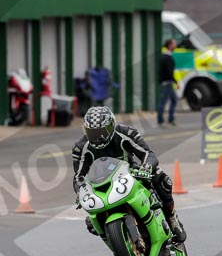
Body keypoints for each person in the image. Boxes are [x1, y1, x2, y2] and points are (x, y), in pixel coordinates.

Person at [72, 105, 186, 242]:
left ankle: (172, 217)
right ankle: (117, 242)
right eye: (93, 133)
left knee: (161, 179)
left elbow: (147, 154)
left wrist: (147, 167)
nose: (98, 138)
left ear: (112, 125)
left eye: (102, 131)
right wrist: (81, 191)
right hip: (102, 183)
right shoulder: (81, 147)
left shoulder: (126, 133)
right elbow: (79, 176)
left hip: (131, 174)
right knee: (91, 224)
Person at [157, 38, 178, 127]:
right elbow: (169, 72)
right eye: (174, 43)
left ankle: (170, 119)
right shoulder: (167, 58)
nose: (175, 45)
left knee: (173, 99)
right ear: (170, 45)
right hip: (167, 83)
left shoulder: (164, 56)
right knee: (163, 102)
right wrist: (175, 81)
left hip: (166, 82)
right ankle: (161, 121)